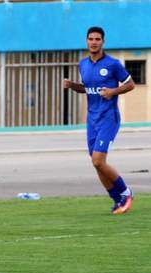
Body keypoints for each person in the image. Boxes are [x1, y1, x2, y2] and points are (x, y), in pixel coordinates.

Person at [64, 26, 136, 214]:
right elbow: (87, 88)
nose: (94, 42)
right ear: (86, 41)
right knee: (98, 165)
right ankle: (117, 200)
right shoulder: (83, 64)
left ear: (103, 42)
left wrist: (113, 91)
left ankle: (126, 193)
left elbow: (130, 84)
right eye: (91, 39)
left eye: (97, 39)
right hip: (92, 120)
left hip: (108, 118)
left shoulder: (112, 64)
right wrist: (72, 85)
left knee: (98, 161)